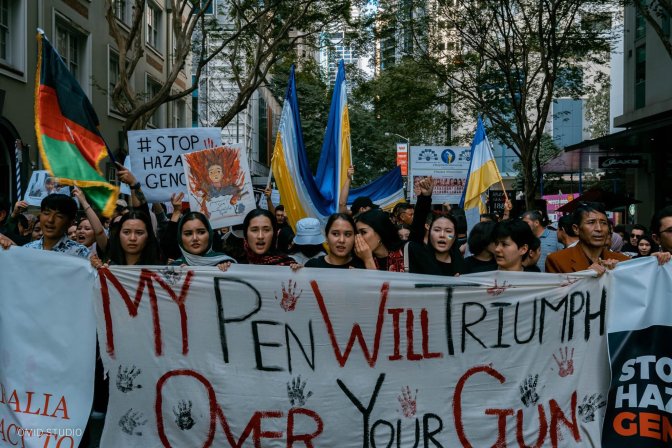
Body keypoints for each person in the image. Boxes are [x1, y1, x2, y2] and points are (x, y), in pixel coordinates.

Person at [545, 202, 629, 275]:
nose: (599, 228)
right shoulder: (557, 260)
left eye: (603, 223)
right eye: (591, 222)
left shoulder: (623, 261)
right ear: (576, 229)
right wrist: (587, 276)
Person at [0, 194, 90, 258]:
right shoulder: (28, 249)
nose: (50, 220)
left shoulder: (81, 253)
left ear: (70, 222)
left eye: (59, 216)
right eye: (46, 213)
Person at [354, 208, 440, 274]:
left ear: (380, 232)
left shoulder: (410, 250)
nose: (358, 238)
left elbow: (436, 281)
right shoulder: (359, 261)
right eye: (357, 233)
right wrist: (368, 260)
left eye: (363, 232)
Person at [170, 211, 235, 269]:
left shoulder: (225, 262)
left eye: (201, 232)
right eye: (188, 234)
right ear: (180, 238)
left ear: (210, 234)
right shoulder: (174, 268)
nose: (195, 238)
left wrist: (226, 271)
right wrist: (180, 276)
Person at [95, 211, 160, 266]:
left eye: (139, 233)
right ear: (119, 234)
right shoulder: (109, 267)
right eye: (126, 232)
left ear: (148, 236)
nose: (132, 238)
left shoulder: (160, 271)